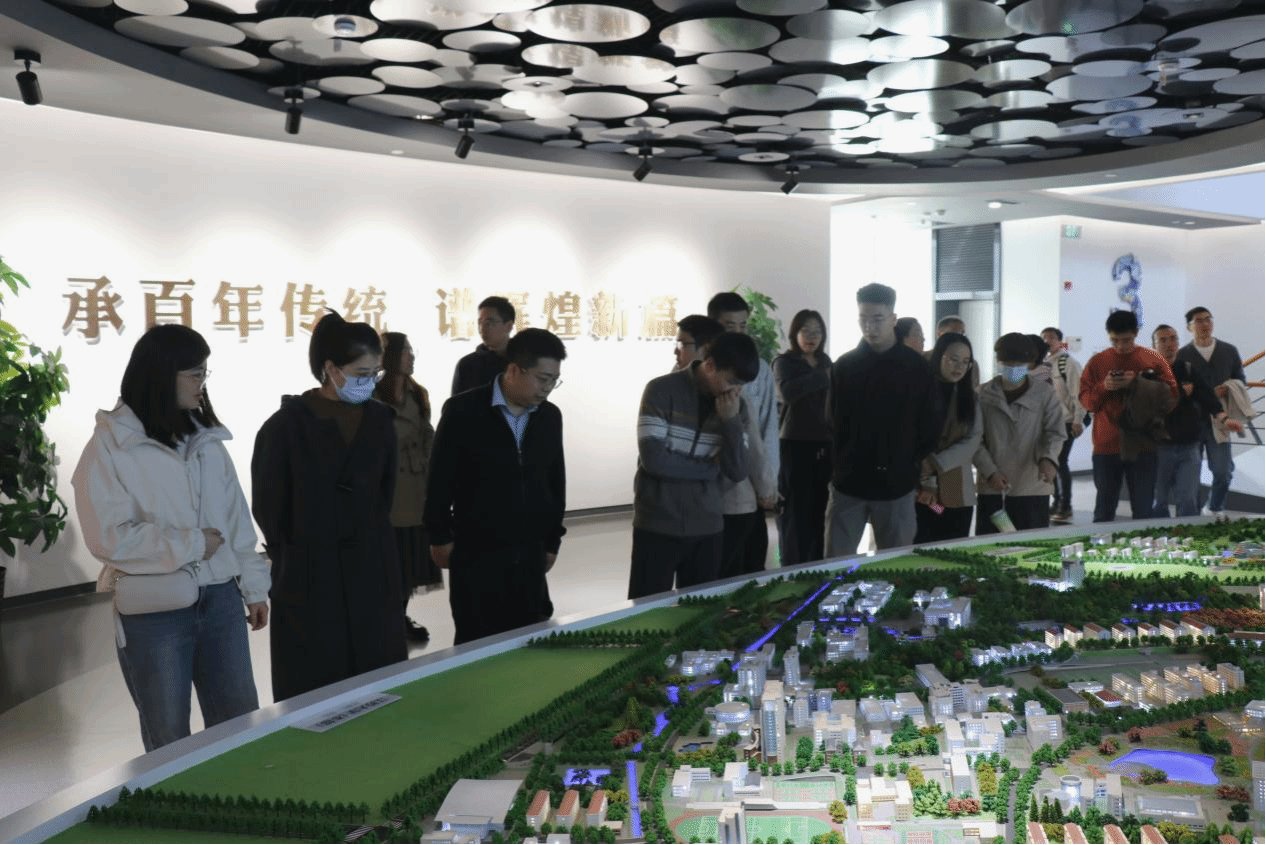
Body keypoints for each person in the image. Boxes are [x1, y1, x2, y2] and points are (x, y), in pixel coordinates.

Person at [72, 325, 269, 752]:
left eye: (204, 373)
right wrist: (192, 545)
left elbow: (236, 519)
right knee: (168, 735)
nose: (202, 384)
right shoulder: (109, 446)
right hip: (155, 610)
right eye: (195, 374)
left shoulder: (207, 440)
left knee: (239, 722)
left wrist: (254, 587)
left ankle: (239, 794)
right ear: (162, 374)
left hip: (221, 599)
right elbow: (107, 537)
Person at [252, 311, 405, 701]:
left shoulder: (381, 421)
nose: (369, 382)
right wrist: (300, 548)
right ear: (332, 369)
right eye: (360, 373)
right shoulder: (284, 427)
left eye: (375, 373)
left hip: (371, 568)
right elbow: (269, 507)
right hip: (309, 575)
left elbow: (385, 493)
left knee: (378, 684)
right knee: (315, 690)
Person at [425, 329, 568, 645]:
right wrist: (439, 536)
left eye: (554, 380)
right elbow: (439, 479)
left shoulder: (549, 417)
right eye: (542, 379)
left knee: (529, 641)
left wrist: (552, 541)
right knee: (476, 642)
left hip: (529, 552)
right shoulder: (463, 411)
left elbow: (555, 482)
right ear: (515, 369)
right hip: (477, 553)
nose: (547, 388)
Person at [629, 332, 758, 599]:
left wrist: (730, 422)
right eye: (732, 381)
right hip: (656, 523)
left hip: (708, 527)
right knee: (647, 607)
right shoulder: (660, 390)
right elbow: (655, 461)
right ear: (709, 366)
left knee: (699, 610)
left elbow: (737, 472)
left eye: (741, 385)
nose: (736, 391)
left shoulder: (736, 409)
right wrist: (710, 470)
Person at [825, 283, 942, 556]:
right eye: (863, 319)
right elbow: (832, 422)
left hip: (897, 483)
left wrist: (908, 459)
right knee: (836, 563)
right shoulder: (844, 366)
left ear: (893, 319)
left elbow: (931, 424)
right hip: (849, 482)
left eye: (877, 319)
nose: (870, 327)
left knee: (894, 564)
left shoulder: (916, 369)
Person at [374, 332, 442, 643]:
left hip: (416, 488)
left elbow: (427, 432)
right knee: (390, 562)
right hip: (387, 491)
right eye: (405, 351)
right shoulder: (373, 394)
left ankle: (399, 617)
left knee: (410, 561)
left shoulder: (418, 393)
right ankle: (387, 619)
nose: (411, 357)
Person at [1079, 310, 1177, 523]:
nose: (1120, 346)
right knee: (1104, 510)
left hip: (1143, 444)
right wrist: (1104, 387)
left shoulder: (1153, 359)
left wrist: (1138, 384)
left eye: (1126, 340)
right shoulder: (1097, 362)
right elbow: (1087, 402)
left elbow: (1171, 399)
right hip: (1106, 445)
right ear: (1108, 336)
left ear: (1135, 333)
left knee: (1143, 511)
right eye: (1114, 341)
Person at [708, 292, 780, 572]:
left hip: (751, 487)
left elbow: (767, 429)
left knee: (750, 562)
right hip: (714, 490)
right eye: (730, 326)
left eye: (743, 326)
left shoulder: (760, 369)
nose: (738, 332)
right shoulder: (705, 371)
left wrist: (768, 484)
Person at [973, 333, 1066, 535]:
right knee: (991, 544)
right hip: (993, 486)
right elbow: (974, 440)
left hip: (1032, 485)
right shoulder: (982, 394)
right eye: (1007, 364)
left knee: (1031, 544)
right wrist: (990, 471)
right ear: (998, 361)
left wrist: (1048, 459)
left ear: (1030, 363)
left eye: (1019, 364)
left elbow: (1056, 432)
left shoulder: (1044, 393)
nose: (1013, 369)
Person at [1151, 324, 1243, 517]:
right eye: (1163, 340)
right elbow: (1151, 405)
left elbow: (1207, 397)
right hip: (1159, 447)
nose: (1169, 344)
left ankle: (1187, 534)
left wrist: (1224, 419)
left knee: (1188, 502)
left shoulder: (1188, 369)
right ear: (1154, 346)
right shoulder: (1148, 374)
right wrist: (1180, 393)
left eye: (1173, 339)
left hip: (1188, 446)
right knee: (1159, 502)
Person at [772, 309, 832, 565]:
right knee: (796, 511)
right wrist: (823, 376)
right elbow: (788, 392)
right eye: (806, 330)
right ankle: (793, 566)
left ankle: (817, 566)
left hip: (825, 445)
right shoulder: (784, 362)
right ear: (794, 333)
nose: (811, 336)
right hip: (794, 444)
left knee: (821, 509)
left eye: (817, 331)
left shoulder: (825, 361)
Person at [1175, 307, 1248, 516]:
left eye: (1208, 319)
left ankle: (1214, 507)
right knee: (1190, 472)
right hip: (1192, 422)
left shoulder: (1229, 350)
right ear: (1189, 327)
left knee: (1223, 471)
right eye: (1199, 321)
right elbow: (1177, 390)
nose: (1205, 324)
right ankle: (1192, 513)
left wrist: (1230, 387)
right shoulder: (1182, 355)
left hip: (1220, 421)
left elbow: (1241, 380)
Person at [914, 332, 982, 543]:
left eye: (965, 361)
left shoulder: (969, 398)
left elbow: (973, 438)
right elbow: (912, 437)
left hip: (957, 490)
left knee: (953, 545)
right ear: (938, 357)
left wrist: (937, 462)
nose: (959, 367)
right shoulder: (918, 392)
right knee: (922, 547)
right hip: (923, 492)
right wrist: (927, 479)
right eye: (953, 359)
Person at [1041, 326, 1085, 524]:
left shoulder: (1068, 363)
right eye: (1044, 338)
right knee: (1052, 461)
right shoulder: (1042, 365)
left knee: (1060, 461)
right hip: (1048, 422)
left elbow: (1078, 393)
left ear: (1060, 342)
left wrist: (1078, 420)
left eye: (1051, 338)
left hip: (1066, 421)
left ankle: (1064, 504)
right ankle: (1056, 501)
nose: (1047, 341)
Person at [451, 295, 514, 395]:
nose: (482, 328)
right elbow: (455, 403)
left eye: (489, 323)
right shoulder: (467, 365)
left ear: (508, 326)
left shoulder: (522, 361)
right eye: (480, 323)